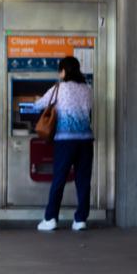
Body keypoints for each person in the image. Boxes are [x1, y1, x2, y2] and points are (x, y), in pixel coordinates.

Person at [35, 56, 94, 232]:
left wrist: (37, 99)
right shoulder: (87, 89)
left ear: (63, 71)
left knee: (59, 179)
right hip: (85, 140)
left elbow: (39, 105)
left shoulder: (59, 88)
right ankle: (80, 220)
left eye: (60, 70)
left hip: (65, 141)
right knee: (83, 181)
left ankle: (51, 218)